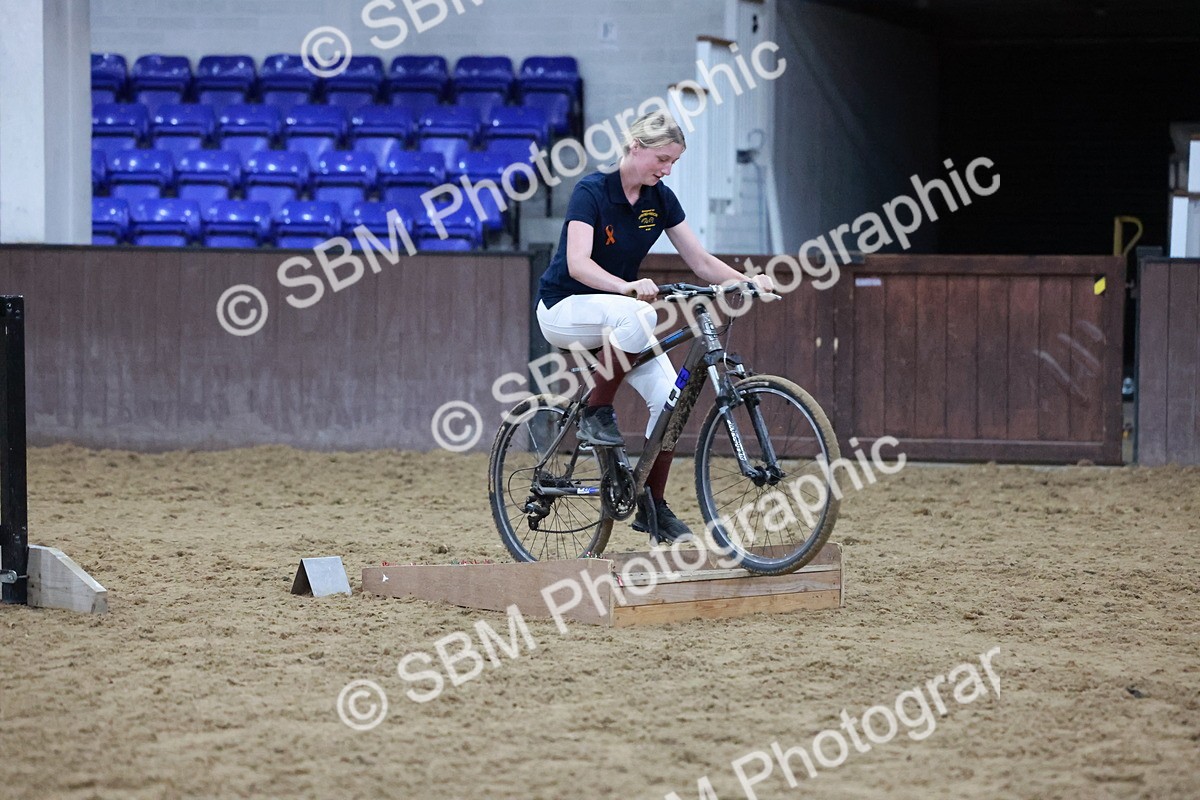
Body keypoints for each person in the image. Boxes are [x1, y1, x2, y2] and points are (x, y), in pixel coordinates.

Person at [535, 110, 774, 545]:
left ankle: (651, 505)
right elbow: (577, 264)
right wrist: (625, 286)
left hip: (615, 315)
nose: (665, 170)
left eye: (673, 164)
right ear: (635, 147)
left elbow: (700, 262)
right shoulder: (591, 191)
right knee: (639, 314)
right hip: (564, 309)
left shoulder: (659, 199)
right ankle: (595, 410)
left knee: (671, 399)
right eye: (661, 159)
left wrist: (745, 281)